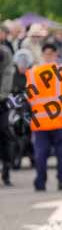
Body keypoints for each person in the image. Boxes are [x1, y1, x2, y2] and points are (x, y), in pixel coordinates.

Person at [21, 44, 62, 191]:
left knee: (41, 154)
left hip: (40, 122)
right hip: (60, 120)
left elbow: (28, 97)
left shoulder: (32, 73)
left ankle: (40, 182)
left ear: (43, 54)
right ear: (55, 54)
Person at [0, 40, 16, 185]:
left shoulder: (4, 53)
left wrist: (2, 95)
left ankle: (6, 169)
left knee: (5, 132)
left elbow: (7, 74)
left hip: (1, 101)